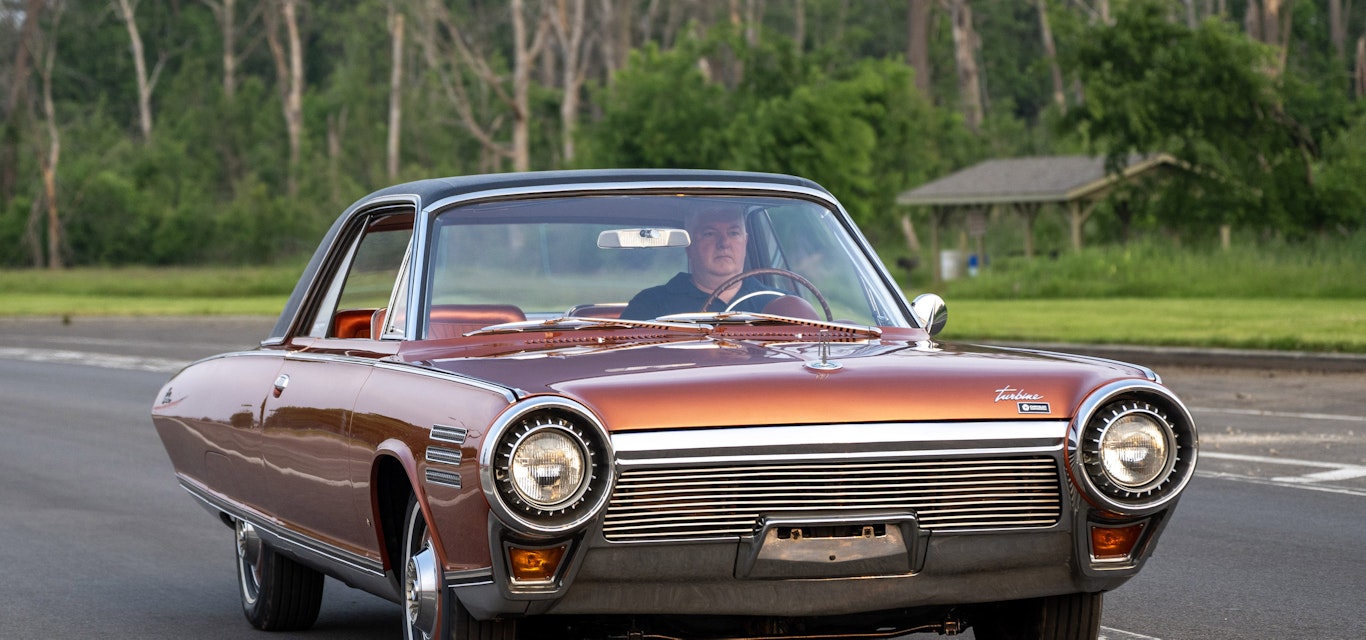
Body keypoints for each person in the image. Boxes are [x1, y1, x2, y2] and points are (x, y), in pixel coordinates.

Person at [620, 206, 776, 320]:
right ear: (689, 245)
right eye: (710, 234)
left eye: (733, 233)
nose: (724, 243)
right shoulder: (651, 305)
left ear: (746, 241)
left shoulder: (778, 303)